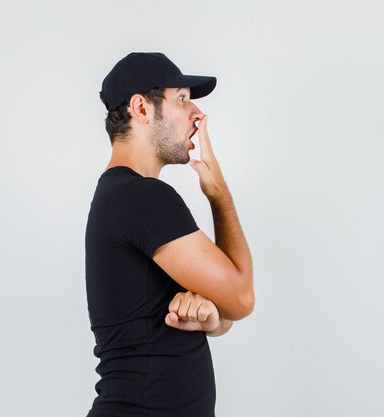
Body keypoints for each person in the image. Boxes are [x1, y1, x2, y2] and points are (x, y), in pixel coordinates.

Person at [84, 52, 255, 417]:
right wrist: (219, 194)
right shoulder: (142, 197)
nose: (197, 114)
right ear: (141, 109)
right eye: (181, 98)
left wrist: (211, 316)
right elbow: (241, 297)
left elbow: (224, 307)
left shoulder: (124, 196)